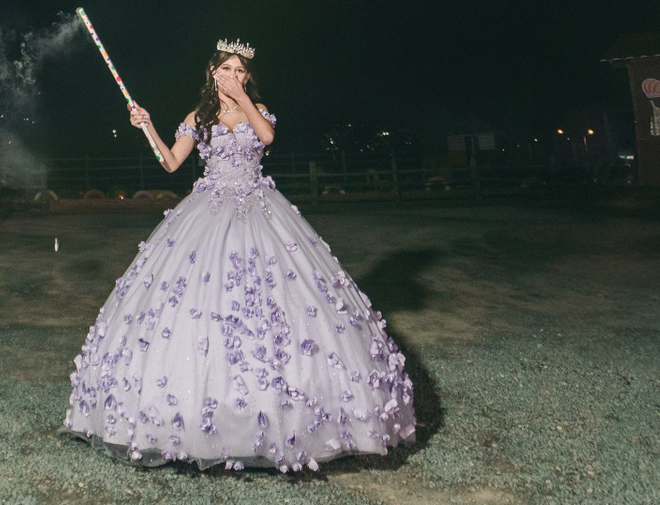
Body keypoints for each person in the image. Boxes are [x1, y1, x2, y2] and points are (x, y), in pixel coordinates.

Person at [61, 40, 416, 472]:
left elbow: (266, 137)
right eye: (226, 68)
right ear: (212, 72)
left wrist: (243, 98)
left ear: (247, 76)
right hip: (208, 213)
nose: (233, 75)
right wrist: (147, 126)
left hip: (260, 210)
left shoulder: (257, 109)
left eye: (240, 70)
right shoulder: (197, 118)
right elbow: (170, 163)